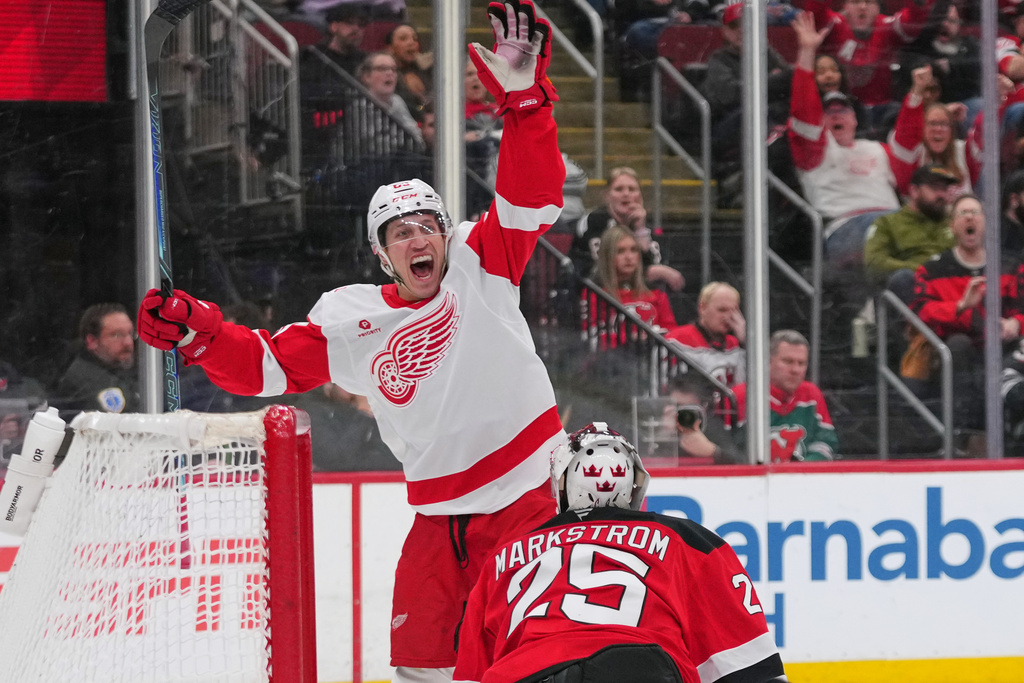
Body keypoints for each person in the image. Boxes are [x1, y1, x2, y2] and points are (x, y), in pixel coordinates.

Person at [138, 3, 562, 681]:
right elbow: (262, 367)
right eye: (401, 232)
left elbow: (532, 195)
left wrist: (527, 104)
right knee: (422, 668)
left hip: (528, 500)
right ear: (382, 255)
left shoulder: (482, 263)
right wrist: (200, 333)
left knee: (539, 663)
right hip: (437, 519)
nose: (419, 237)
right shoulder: (352, 318)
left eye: (428, 224)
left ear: (446, 234)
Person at [452, 421, 789, 683]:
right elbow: (751, 668)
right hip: (637, 667)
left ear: (561, 484)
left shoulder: (505, 557)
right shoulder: (686, 539)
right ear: (635, 485)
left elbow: (470, 674)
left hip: (525, 672)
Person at [787, 11, 909, 271]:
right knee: (891, 231)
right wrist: (807, 52)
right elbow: (804, 109)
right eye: (828, 112)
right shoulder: (814, 153)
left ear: (855, 119)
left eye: (842, 110)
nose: (836, 115)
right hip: (846, 228)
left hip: (893, 223)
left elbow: (911, 167)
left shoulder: (879, 149)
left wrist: (917, 98)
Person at [903, 194, 1024, 432]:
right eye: (963, 213)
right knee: (959, 345)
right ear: (952, 226)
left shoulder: (1010, 265)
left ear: (987, 223)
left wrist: (1016, 324)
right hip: (952, 353)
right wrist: (960, 306)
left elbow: (1020, 307)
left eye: (975, 213)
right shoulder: (932, 269)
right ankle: (967, 434)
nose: (970, 218)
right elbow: (919, 312)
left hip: (1004, 347)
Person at [795, 0, 937, 138]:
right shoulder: (834, 24)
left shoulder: (887, 26)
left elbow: (913, 19)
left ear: (878, 7)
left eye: (869, 2)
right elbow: (816, 13)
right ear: (845, 5)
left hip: (882, 111)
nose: (862, 6)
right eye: (856, 2)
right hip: (836, 108)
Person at [571, 166, 685, 292]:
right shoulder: (594, 221)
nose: (626, 194)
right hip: (597, 293)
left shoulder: (643, 222)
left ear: (640, 196)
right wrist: (650, 272)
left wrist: (640, 230)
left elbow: (656, 264)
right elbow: (601, 269)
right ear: (606, 196)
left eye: (632, 189)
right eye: (619, 189)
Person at [733, 330, 838, 462]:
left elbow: (826, 443)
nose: (795, 370)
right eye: (788, 361)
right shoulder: (740, 396)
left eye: (801, 363)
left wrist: (801, 469)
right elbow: (727, 450)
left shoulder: (811, 394)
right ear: (768, 361)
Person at [864, 163, 957, 304]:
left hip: (952, 291)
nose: (941, 195)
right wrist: (921, 270)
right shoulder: (887, 223)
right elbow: (874, 263)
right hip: (912, 292)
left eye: (944, 189)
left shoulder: (954, 223)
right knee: (904, 277)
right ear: (914, 191)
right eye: (934, 188)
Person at [586, 225, 679, 340]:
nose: (629, 257)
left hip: (652, 350)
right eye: (620, 251)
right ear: (608, 256)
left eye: (634, 250)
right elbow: (591, 336)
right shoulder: (594, 293)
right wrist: (632, 339)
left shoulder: (656, 293)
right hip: (612, 351)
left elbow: (672, 335)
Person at [53, 303, 140, 416]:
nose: (128, 343)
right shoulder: (83, 383)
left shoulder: (135, 374)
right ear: (92, 341)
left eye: (131, 333)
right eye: (117, 335)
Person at [665, 281, 745, 390]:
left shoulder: (735, 343)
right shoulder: (677, 339)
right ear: (702, 308)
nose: (728, 317)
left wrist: (746, 342)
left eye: (734, 311)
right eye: (722, 310)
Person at [356, 51, 424, 145]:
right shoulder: (359, 106)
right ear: (366, 77)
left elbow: (415, 134)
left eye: (393, 69)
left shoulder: (397, 101)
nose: (390, 73)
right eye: (382, 69)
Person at [386, 23, 433, 115]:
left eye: (415, 39)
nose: (411, 43)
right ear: (390, 48)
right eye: (403, 39)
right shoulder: (386, 73)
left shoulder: (427, 70)